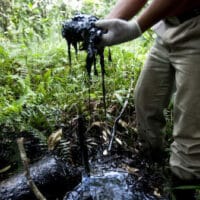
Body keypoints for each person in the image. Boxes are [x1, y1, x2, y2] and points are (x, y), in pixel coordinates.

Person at [95, 0, 200, 199]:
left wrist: (136, 27)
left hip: (196, 29)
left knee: (191, 124)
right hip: (168, 27)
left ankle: (183, 185)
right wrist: (102, 27)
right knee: (146, 100)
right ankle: (153, 163)